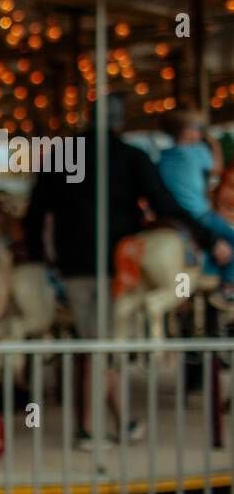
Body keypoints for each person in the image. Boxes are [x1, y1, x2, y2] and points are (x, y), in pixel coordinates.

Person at [23, 93, 233, 450]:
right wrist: (208, 238)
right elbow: (166, 204)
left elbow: (35, 212)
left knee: (100, 341)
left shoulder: (62, 155)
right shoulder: (131, 157)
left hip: (72, 264)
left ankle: (122, 422)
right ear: (120, 122)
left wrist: (38, 255)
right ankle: (88, 429)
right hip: (117, 264)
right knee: (101, 345)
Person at [157, 109, 234, 308]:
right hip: (198, 212)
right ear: (186, 132)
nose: (200, 133)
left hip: (170, 214)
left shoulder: (165, 156)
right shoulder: (198, 152)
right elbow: (217, 169)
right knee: (230, 237)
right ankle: (226, 286)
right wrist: (214, 143)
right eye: (198, 129)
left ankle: (187, 287)